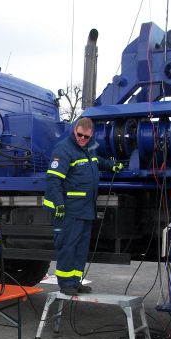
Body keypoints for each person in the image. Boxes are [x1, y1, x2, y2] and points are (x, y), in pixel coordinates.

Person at [44, 117, 123, 296]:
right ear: (74, 131)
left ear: (91, 134)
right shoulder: (63, 149)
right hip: (70, 209)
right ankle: (65, 283)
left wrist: (112, 165)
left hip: (86, 208)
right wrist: (59, 204)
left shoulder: (90, 146)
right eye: (79, 135)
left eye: (86, 136)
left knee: (81, 247)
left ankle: (75, 281)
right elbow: (53, 179)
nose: (82, 139)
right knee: (68, 245)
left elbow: (98, 160)